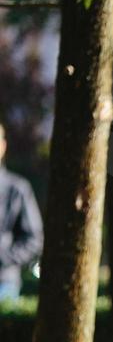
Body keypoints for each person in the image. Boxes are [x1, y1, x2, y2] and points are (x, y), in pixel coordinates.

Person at [0, 123, 43, 302]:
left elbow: (34, 240)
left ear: (3, 146)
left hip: (3, 282)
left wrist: (3, 257)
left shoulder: (17, 189)